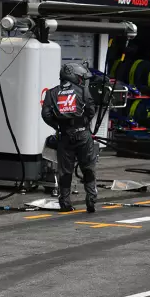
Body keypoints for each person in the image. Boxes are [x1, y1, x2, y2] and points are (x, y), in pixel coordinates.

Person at [41, 62, 98, 212]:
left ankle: (65, 203)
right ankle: (91, 199)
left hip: (65, 136)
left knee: (65, 171)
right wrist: (83, 122)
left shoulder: (51, 93)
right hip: (83, 135)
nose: (81, 80)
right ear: (72, 75)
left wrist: (57, 126)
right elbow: (91, 110)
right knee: (88, 168)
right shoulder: (83, 91)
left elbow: (45, 115)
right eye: (80, 77)